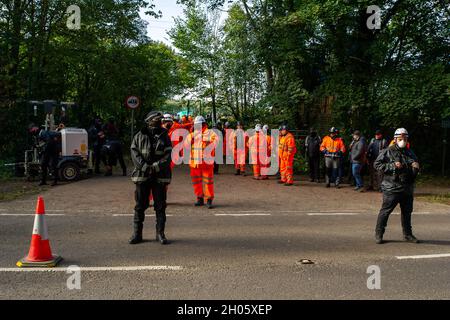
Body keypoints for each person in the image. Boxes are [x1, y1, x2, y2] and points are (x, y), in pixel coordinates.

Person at [129, 111, 173, 245]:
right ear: (148, 121)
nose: (159, 120)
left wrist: (155, 167)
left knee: (160, 206)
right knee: (140, 206)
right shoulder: (139, 135)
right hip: (142, 176)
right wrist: (145, 167)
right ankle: (137, 234)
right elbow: (134, 153)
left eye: (160, 119)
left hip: (159, 176)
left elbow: (168, 155)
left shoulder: (164, 135)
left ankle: (160, 234)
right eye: (156, 119)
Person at [374, 128, 420, 244]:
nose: (402, 140)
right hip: (391, 187)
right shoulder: (387, 151)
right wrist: (392, 165)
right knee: (385, 211)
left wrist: (415, 166)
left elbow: (415, 165)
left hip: (407, 188)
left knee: (407, 212)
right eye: (400, 138)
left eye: (405, 138)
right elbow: (377, 164)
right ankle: (379, 234)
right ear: (395, 139)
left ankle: (408, 235)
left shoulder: (410, 152)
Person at [185, 116, 219, 209]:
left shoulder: (210, 133)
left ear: (203, 124)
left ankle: (209, 200)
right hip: (194, 163)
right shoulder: (192, 134)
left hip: (206, 163)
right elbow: (186, 145)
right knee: (196, 182)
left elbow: (215, 142)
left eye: (199, 125)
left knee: (208, 182)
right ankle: (199, 198)